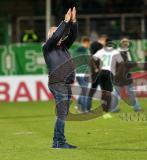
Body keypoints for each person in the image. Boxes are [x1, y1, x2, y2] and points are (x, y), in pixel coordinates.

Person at [42, 7, 78, 149]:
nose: (59, 35)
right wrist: (65, 21)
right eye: (55, 33)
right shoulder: (47, 47)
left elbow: (73, 36)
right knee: (62, 113)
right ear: (50, 36)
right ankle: (58, 142)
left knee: (63, 113)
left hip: (65, 83)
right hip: (58, 83)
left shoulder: (63, 46)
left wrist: (73, 22)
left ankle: (58, 140)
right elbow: (56, 36)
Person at [91, 39, 124, 118]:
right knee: (108, 92)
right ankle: (106, 112)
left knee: (103, 92)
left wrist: (96, 69)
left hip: (101, 72)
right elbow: (121, 63)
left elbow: (92, 59)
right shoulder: (115, 52)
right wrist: (118, 74)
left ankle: (103, 110)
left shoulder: (101, 51)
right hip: (109, 72)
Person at [111, 38, 142, 112]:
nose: (126, 44)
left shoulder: (124, 52)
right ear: (121, 44)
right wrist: (136, 63)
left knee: (118, 93)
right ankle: (136, 108)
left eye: (127, 43)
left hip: (121, 75)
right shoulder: (120, 53)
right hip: (121, 75)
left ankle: (113, 108)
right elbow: (126, 64)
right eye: (124, 42)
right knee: (128, 92)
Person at [87, 35, 108, 112]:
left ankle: (88, 108)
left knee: (93, 91)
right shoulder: (98, 48)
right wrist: (96, 68)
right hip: (98, 73)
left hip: (96, 73)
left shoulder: (95, 48)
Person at [72, 36, 91, 113]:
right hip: (84, 73)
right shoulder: (84, 50)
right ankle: (83, 110)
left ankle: (78, 105)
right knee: (84, 93)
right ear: (85, 42)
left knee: (83, 92)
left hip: (79, 74)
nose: (88, 45)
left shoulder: (75, 51)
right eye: (88, 43)